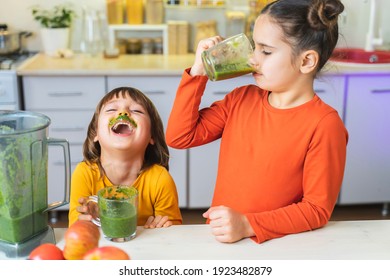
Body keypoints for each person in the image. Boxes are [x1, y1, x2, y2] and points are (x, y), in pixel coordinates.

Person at [166, 0, 347, 243]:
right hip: (223, 239)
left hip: (275, 245)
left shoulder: (324, 124)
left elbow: (316, 210)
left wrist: (247, 224)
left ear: (306, 61)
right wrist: (198, 72)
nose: (253, 59)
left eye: (266, 51)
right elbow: (180, 136)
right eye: (254, 47)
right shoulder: (241, 99)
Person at [69, 86, 182, 228]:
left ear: (151, 136)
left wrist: (163, 226)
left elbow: (175, 231)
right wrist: (88, 220)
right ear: (95, 133)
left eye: (136, 110)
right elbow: (76, 227)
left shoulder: (160, 179)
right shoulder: (84, 173)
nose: (123, 112)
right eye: (111, 109)